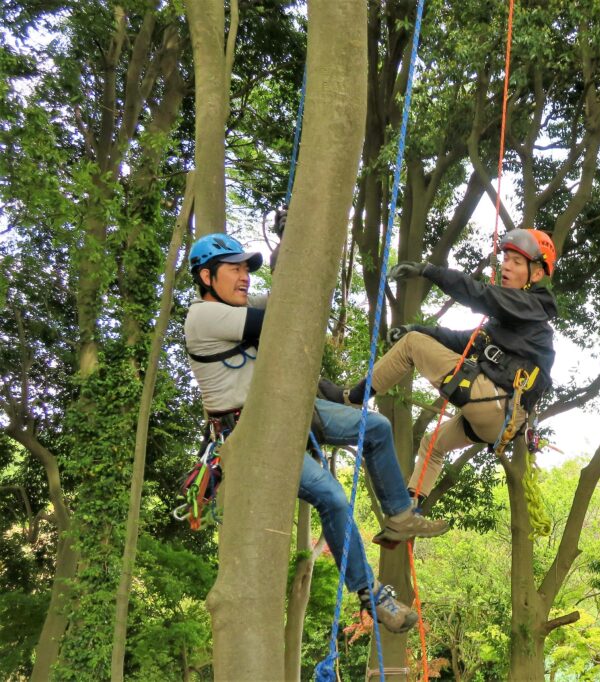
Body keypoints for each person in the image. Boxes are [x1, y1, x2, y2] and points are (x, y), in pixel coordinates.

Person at [183, 233, 448, 634]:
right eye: (234, 269)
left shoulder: (235, 307)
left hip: (290, 410)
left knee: (375, 426)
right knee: (333, 498)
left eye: (245, 270)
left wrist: (289, 253)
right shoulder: (203, 317)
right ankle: (369, 594)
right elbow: (282, 317)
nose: (244, 278)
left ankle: (398, 515)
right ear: (206, 276)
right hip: (254, 434)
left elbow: (290, 297)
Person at [332, 229, 558, 505]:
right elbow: (465, 340)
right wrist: (418, 328)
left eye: (517, 262)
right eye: (506, 259)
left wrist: (428, 271)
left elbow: (478, 293)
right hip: (500, 423)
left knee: (414, 344)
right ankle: (409, 509)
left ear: (536, 274)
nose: (506, 267)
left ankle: (351, 398)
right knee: (433, 445)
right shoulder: (515, 319)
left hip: (496, 402)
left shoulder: (530, 306)